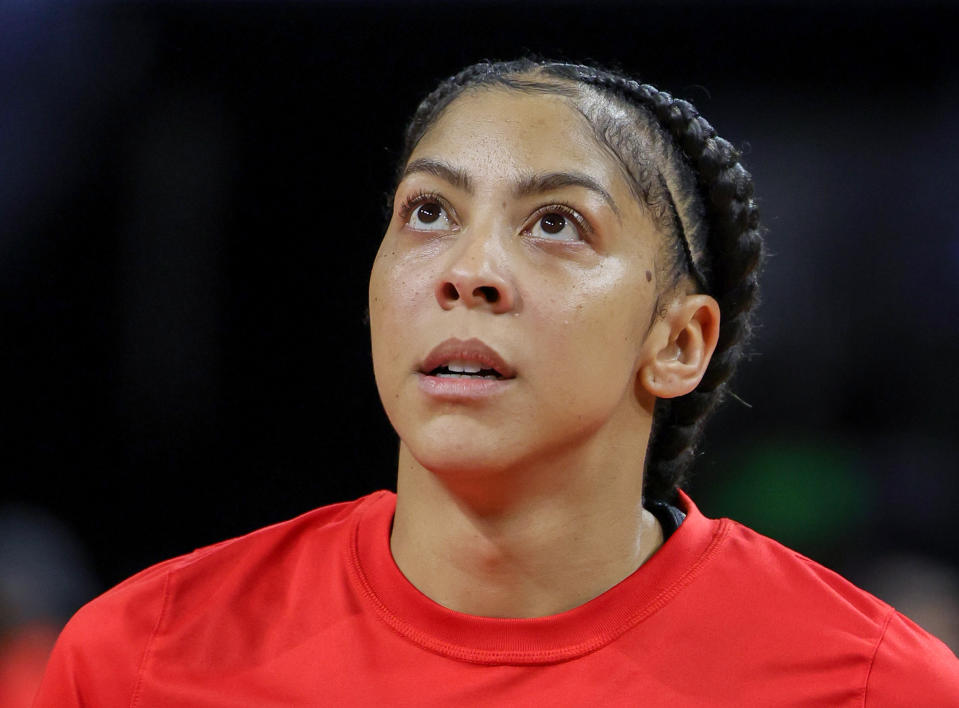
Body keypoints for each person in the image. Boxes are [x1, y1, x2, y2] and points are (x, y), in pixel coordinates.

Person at [33, 58, 959, 706]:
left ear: (679, 343)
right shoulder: (140, 656)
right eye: (428, 212)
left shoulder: (873, 685)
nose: (466, 270)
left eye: (556, 223)